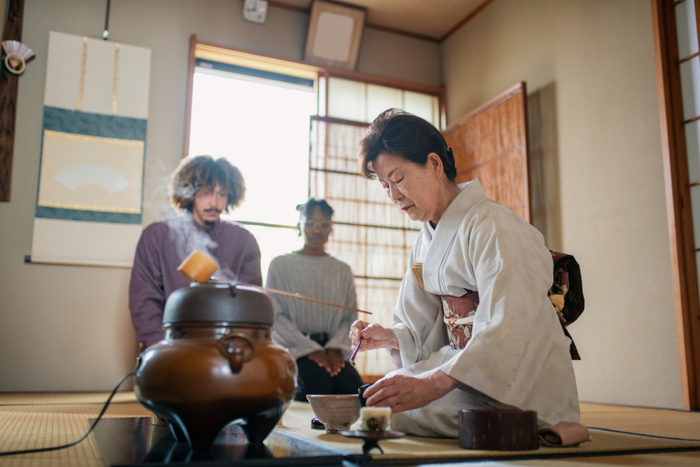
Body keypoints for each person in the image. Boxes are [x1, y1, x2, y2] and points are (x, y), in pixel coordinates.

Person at [349, 109, 579, 437]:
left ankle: (545, 420)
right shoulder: (424, 244)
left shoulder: (495, 225)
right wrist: (393, 336)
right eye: (385, 186)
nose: (393, 195)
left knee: (394, 411)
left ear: (434, 164)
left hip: (518, 379)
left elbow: (507, 325)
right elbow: (417, 322)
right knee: (382, 400)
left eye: (397, 179)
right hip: (464, 367)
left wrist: (431, 383)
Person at [129, 155, 262, 349]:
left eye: (222, 194)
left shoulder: (244, 240)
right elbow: (144, 303)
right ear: (189, 193)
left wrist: (234, 348)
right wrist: (161, 349)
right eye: (206, 192)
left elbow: (250, 305)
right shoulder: (156, 235)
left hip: (227, 349)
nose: (215, 203)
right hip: (169, 345)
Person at [268, 198, 363, 401]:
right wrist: (310, 350)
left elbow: (350, 318)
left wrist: (334, 349)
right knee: (318, 383)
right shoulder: (280, 265)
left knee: (353, 388)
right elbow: (275, 318)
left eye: (324, 224)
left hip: (334, 350)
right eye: (310, 224)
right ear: (300, 226)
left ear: (331, 228)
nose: (317, 230)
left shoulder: (342, 270)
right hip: (295, 350)